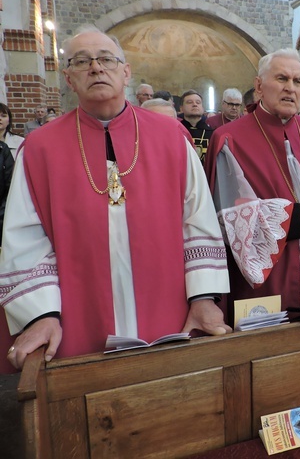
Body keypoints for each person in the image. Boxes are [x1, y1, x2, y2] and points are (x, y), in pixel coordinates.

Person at [0, 26, 230, 372]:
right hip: (81, 317)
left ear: (126, 72)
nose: (96, 67)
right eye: (82, 61)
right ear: (69, 78)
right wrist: (41, 314)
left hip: (167, 308)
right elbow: (26, 239)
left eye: (106, 59)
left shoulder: (171, 137)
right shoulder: (40, 149)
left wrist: (202, 298)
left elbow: (197, 221)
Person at [206, 48, 300, 312]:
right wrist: (296, 217)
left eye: (297, 82)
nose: (290, 88)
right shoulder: (229, 139)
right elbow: (228, 217)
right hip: (271, 276)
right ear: (259, 86)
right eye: (282, 79)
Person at [179, 89, 214, 163]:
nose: (195, 104)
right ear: (181, 108)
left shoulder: (212, 133)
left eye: (198, 102)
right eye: (189, 102)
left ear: (202, 108)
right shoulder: (176, 131)